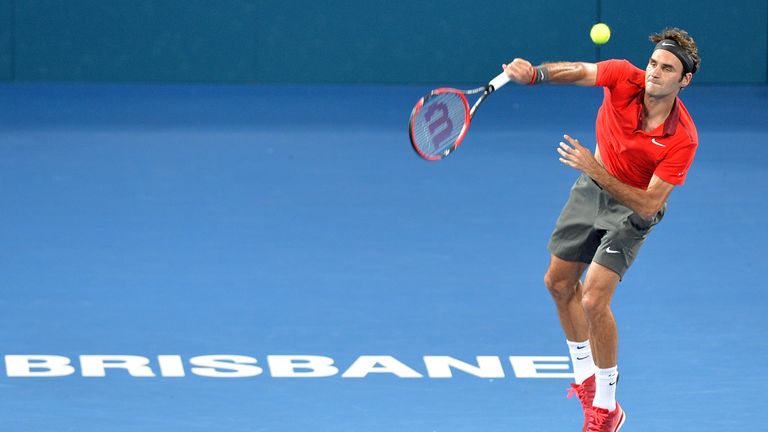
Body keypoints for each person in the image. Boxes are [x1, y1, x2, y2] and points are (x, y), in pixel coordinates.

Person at [501, 28, 700, 431]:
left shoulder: (683, 138)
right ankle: (586, 379)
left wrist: (595, 168)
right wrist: (535, 74)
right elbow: (576, 71)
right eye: (654, 64)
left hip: (633, 209)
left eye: (667, 69)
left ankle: (607, 409)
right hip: (590, 191)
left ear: (684, 80)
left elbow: (648, 203)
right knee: (558, 284)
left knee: (593, 298)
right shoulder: (622, 75)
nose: (654, 73)